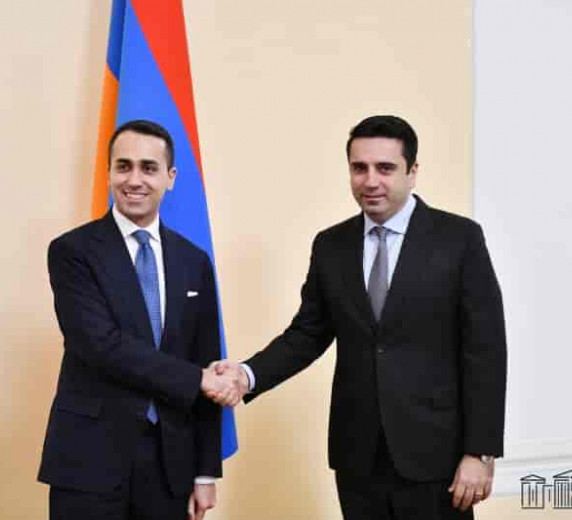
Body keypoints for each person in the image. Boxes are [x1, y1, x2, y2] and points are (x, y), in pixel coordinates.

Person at [213, 115, 507, 519]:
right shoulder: (331, 245)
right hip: (358, 457)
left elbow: (486, 351)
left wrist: (480, 451)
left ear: (412, 172)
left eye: (385, 168)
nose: (370, 181)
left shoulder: (460, 240)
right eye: (359, 168)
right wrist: (246, 375)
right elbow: (307, 334)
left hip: (437, 457)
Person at [38, 119, 239, 520]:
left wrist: (204, 472)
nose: (134, 180)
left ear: (170, 177)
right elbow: (99, 345)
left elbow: (206, 357)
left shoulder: (194, 261)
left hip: (170, 466)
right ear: (109, 172)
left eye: (148, 168)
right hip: (89, 460)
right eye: (123, 166)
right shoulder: (72, 252)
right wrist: (197, 379)